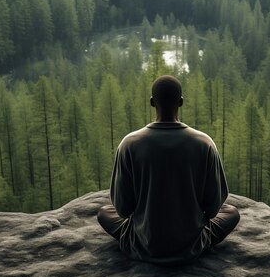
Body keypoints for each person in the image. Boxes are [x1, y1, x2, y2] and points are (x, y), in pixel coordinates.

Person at [97, 74, 240, 266]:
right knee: (231, 212)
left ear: (151, 102)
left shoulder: (129, 144)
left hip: (143, 244)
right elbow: (214, 209)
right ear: (180, 102)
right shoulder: (203, 143)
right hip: (191, 246)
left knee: (104, 213)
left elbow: (122, 210)